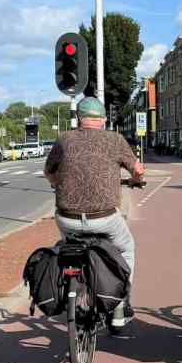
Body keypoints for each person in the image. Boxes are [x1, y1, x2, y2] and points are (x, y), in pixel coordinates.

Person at [43, 97, 144, 330]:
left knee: (66, 247)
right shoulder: (114, 139)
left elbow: (49, 172)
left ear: (79, 119)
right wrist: (136, 180)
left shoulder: (64, 139)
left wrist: (58, 182)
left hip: (68, 217)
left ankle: (70, 286)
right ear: (104, 120)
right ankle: (119, 306)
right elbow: (138, 170)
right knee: (126, 249)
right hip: (104, 219)